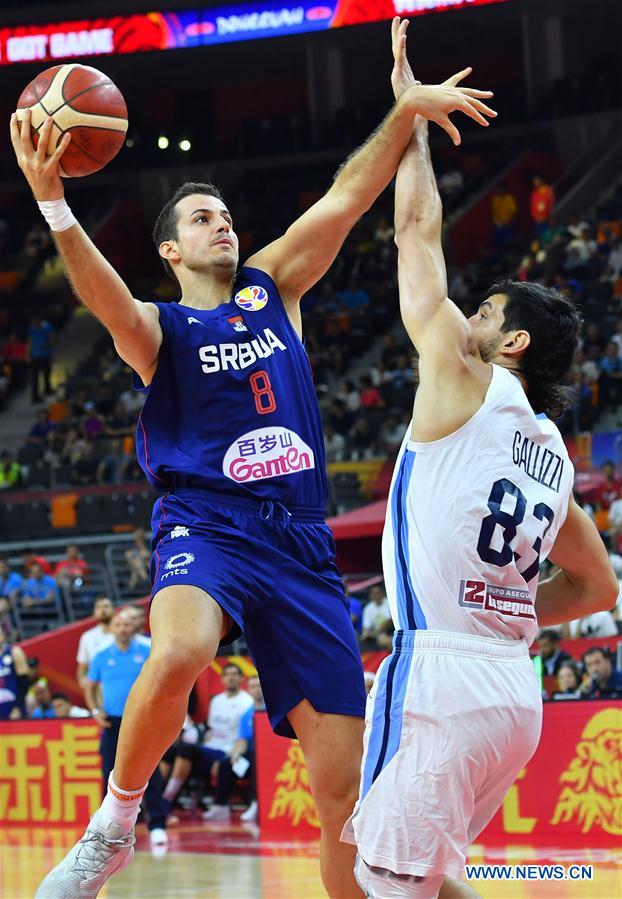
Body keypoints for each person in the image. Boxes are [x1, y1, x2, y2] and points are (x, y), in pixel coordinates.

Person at [13, 76, 496, 899]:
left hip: (301, 544)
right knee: (180, 650)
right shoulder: (162, 328)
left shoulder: (273, 287)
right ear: (170, 249)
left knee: (346, 796)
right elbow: (104, 299)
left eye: (227, 215)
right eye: (202, 218)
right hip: (209, 522)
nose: (223, 224)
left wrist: (406, 110)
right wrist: (55, 204)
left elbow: (348, 196)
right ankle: (113, 826)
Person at [343, 20, 618, 899]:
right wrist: (510, 606)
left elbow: (416, 230)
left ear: (512, 340)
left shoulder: (463, 372)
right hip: (512, 693)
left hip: (442, 672)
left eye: (486, 309)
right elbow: (601, 585)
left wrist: (411, 114)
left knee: (384, 878)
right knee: (416, 877)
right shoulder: (552, 455)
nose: (468, 317)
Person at [84, 610, 168, 847]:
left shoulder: (146, 651)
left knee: (150, 772)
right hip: (112, 722)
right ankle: (107, 830)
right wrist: (95, 711)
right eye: (118, 624)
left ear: (134, 627)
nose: (122, 628)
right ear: (111, 628)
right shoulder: (101, 656)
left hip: (141, 720)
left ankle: (158, 825)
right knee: (109, 773)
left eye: (126, 624)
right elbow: (89, 687)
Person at [162, 662, 253, 810]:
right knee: (169, 751)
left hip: (227, 751)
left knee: (186, 750)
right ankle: (154, 797)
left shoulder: (247, 702)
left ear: (241, 679)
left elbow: (245, 737)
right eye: (227, 675)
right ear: (222, 679)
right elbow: (211, 729)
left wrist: (231, 755)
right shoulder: (216, 700)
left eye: (234, 675)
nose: (231, 678)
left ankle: (167, 799)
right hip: (210, 747)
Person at [203, 674, 265, 823]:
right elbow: (242, 740)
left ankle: (256, 804)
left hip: (270, 757)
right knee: (226, 763)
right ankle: (221, 806)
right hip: (251, 755)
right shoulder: (246, 714)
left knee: (258, 761)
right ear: (249, 690)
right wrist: (235, 755)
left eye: (259, 686)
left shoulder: (275, 708)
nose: (256, 690)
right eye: (253, 686)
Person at [76, 596, 115, 690]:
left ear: (113, 609)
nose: (103, 610)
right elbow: (82, 667)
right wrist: (84, 683)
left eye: (106, 606)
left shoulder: (123, 633)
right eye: (99, 607)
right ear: (94, 612)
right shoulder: (87, 637)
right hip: (99, 687)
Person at [27, 313, 54, 404]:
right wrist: (28, 355)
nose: (34, 323)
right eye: (33, 321)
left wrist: (46, 344)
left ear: (40, 320)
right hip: (35, 356)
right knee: (35, 377)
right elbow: (29, 341)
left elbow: (51, 338)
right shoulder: (31, 328)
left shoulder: (46, 326)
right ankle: (35, 397)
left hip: (45, 355)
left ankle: (47, 390)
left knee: (47, 373)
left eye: (36, 321)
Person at [0, 637, 29, 720]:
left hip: (12, 708)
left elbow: (24, 683)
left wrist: (17, 707)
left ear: (3, 636)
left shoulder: (14, 652)